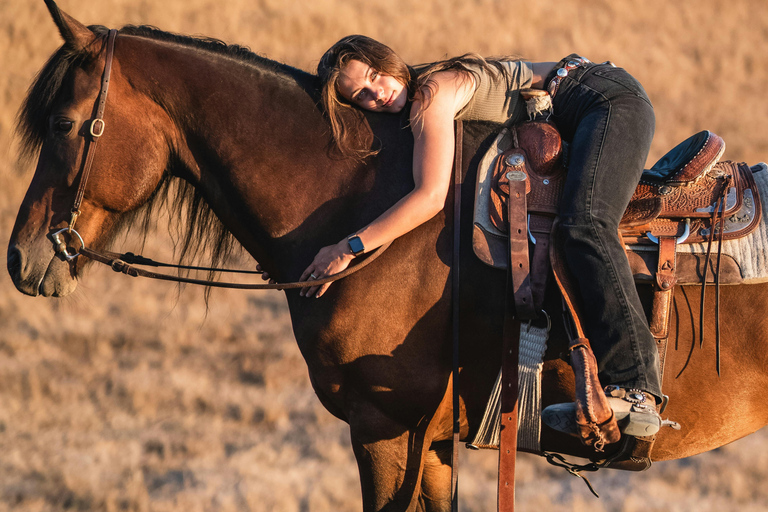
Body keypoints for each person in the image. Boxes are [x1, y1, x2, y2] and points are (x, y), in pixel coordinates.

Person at [287, 35, 663, 437]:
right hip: (585, 100)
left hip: (606, 99)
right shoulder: (420, 97)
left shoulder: (430, 94)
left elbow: (430, 196)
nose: (376, 94)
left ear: (389, 62)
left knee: (586, 222)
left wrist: (349, 247)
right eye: (361, 94)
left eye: (376, 76)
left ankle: (637, 387)